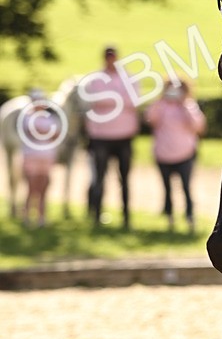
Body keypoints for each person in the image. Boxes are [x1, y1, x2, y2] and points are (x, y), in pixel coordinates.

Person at [83, 46, 140, 228]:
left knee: (124, 178)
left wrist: (110, 100)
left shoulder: (129, 78)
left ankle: (126, 217)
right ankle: (96, 215)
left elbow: (134, 101)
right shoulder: (96, 79)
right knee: (99, 177)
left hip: (124, 136)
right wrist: (118, 99)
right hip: (101, 136)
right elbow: (93, 100)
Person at [146, 79, 206, 232]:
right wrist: (161, 100)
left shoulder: (189, 105)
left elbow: (198, 126)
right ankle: (169, 217)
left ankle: (189, 216)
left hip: (185, 153)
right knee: (167, 188)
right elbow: (150, 119)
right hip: (163, 153)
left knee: (186, 187)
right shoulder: (161, 105)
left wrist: (184, 104)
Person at [18, 93, 61, 227]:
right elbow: (33, 132)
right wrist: (46, 132)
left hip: (47, 156)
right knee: (31, 186)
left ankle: (41, 217)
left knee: (44, 187)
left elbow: (55, 135)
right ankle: (27, 216)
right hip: (32, 156)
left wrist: (43, 132)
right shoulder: (26, 117)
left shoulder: (51, 118)